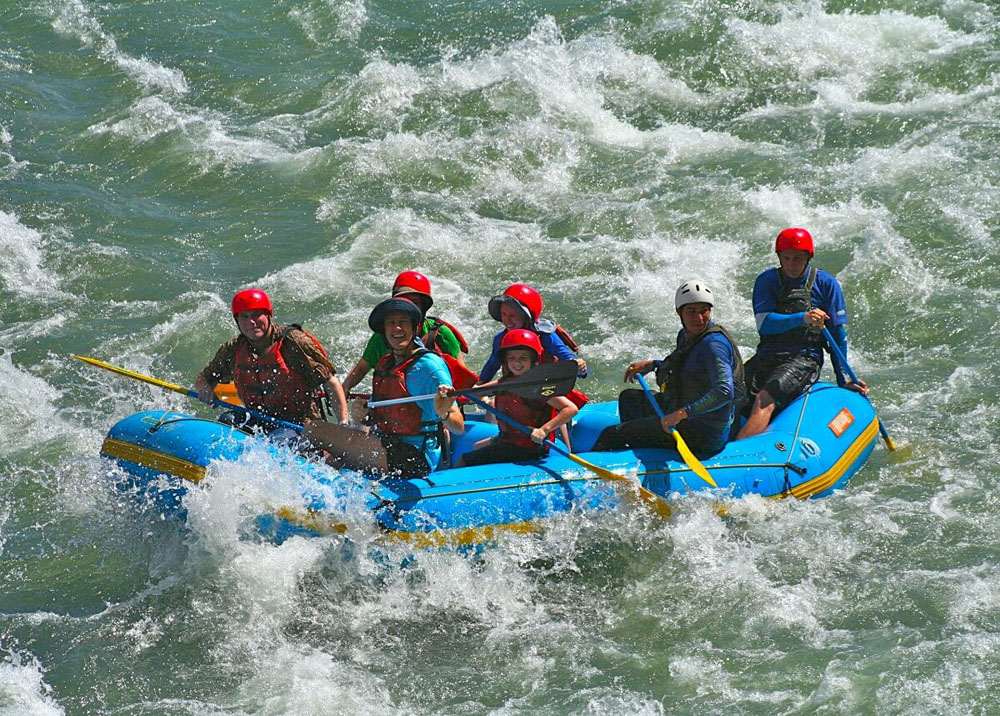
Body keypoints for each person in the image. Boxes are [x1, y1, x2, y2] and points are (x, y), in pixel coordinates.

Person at [304, 296, 463, 477]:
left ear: (414, 328)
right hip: (387, 444)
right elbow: (378, 419)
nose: (397, 328)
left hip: (415, 458)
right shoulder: (386, 364)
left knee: (313, 429)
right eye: (391, 323)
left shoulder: (429, 366)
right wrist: (362, 416)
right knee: (329, 458)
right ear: (384, 331)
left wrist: (444, 413)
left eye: (403, 322)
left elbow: (458, 427)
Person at [736, 228, 868, 440]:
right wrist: (803, 318)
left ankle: (738, 452)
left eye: (798, 258)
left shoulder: (826, 284)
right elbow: (764, 324)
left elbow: (837, 335)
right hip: (769, 354)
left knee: (764, 399)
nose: (791, 264)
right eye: (786, 258)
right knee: (731, 393)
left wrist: (842, 378)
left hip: (805, 358)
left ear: (808, 257)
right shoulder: (766, 280)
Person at [592, 280, 744, 458]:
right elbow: (686, 368)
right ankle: (641, 448)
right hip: (684, 412)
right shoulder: (686, 335)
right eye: (691, 311)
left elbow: (724, 391)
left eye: (704, 310)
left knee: (611, 435)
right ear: (679, 312)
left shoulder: (714, 345)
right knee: (629, 398)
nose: (699, 318)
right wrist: (652, 365)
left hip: (702, 432)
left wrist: (681, 414)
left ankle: (633, 446)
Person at [195, 289, 349, 437]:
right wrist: (205, 389)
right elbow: (205, 376)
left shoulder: (293, 341)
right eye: (244, 317)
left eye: (256, 315)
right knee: (226, 420)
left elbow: (330, 382)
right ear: (237, 320)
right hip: (258, 418)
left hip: (298, 424)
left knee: (280, 438)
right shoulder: (233, 349)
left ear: (268, 315)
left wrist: (343, 424)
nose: (251, 322)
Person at [340, 270, 475, 395]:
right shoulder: (383, 336)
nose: (407, 306)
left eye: (413, 302)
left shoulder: (441, 333)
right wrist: (344, 389)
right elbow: (361, 369)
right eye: (403, 300)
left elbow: (462, 377)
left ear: (423, 307)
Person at [459, 329, 578, 467]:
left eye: (523, 358)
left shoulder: (537, 387)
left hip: (530, 447)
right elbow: (475, 393)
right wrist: (452, 392)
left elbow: (570, 408)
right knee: (477, 446)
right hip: (510, 440)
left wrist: (543, 430)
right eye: (512, 358)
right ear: (505, 360)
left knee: (463, 460)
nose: (517, 363)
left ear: (533, 360)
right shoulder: (507, 382)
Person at [478, 283, 587, 383]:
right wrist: (479, 385)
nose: (507, 320)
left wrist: (580, 367)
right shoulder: (500, 339)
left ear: (525, 316)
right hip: (516, 388)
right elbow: (491, 366)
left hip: (546, 388)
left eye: (512, 315)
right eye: (503, 314)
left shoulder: (545, 336)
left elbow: (569, 359)